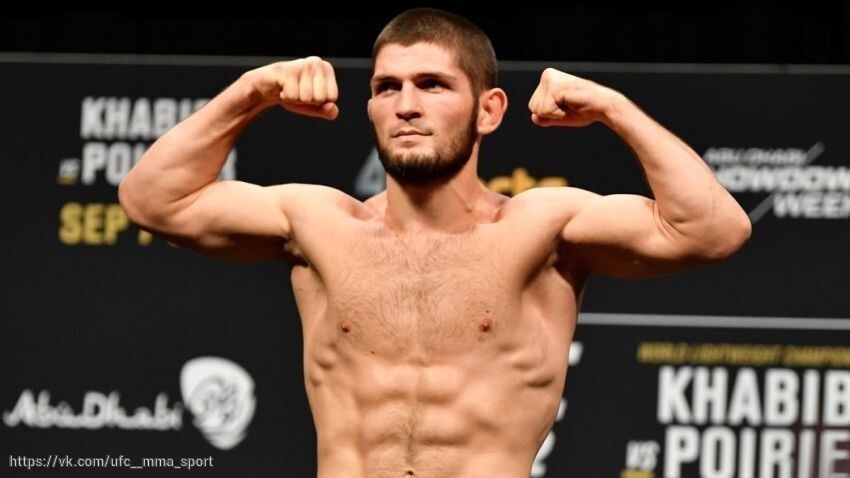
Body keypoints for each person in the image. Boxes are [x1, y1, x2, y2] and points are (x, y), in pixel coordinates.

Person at [118, 7, 751, 478]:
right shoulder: (318, 224)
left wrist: (614, 108)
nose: (406, 105)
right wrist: (252, 92)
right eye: (387, 88)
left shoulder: (542, 228)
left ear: (489, 110)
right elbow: (152, 200)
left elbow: (713, 229)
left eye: (433, 84)